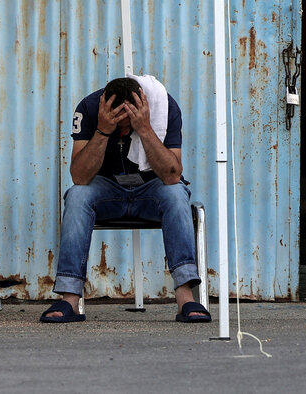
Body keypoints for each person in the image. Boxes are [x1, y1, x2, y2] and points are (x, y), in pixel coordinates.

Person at [40, 75, 211, 323]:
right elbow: (79, 176)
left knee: (176, 194)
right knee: (77, 195)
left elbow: (173, 175)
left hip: (151, 190)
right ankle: (69, 299)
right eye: (120, 124)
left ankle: (186, 297)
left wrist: (144, 129)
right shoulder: (88, 108)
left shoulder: (165, 106)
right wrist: (103, 130)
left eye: (127, 123)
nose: (124, 131)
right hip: (106, 190)